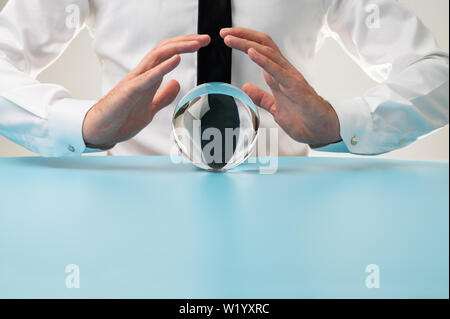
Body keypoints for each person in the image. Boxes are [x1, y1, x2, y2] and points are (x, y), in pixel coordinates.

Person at [0, 0, 448, 158]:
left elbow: (438, 72)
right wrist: (83, 124)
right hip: (127, 219)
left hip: (286, 222)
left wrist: (340, 123)